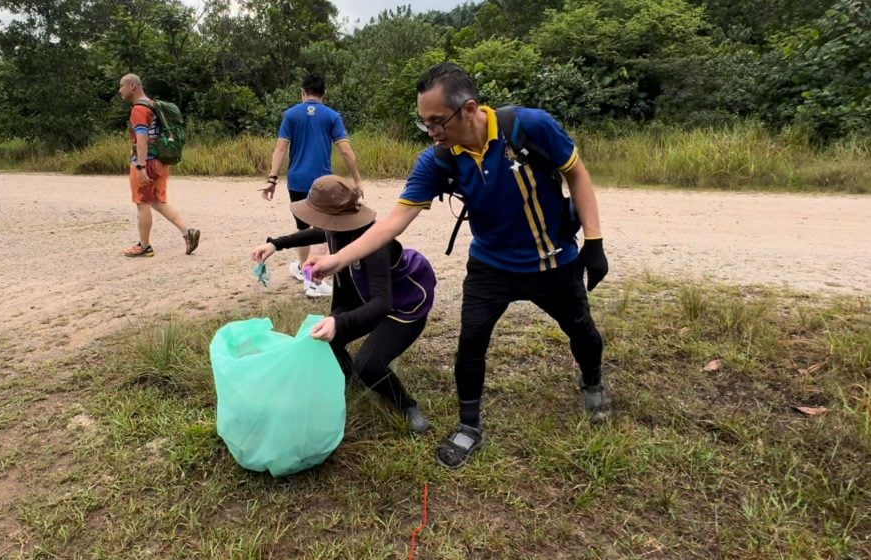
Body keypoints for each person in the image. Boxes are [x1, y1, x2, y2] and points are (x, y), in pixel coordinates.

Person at [307, 62, 611, 469]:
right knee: (471, 343)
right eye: (424, 123)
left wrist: (594, 241)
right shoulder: (439, 160)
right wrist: (338, 259)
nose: (432, 131)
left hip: (552, 261)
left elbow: (576, 173)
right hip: (490, 265)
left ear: (469, 110)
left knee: (583, 331)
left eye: (437, 121)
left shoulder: (528, 127)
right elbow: (395, 219)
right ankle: (469, 428)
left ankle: (592, 381)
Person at [251, 175, 436, 434]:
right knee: (328, 339)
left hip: (402, 309)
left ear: (335, 216)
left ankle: (406, 405)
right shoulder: (337, 228)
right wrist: (275, 244)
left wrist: (340, 320)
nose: (314, 220)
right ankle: (349, 379)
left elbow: (382, 304)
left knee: (369, 364)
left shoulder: (375, 245)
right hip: (366, 299)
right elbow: (314, 233)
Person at [259, 74, 362, 298]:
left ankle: (302, 267)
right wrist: (356, 180)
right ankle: (314, 282)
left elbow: (280, 149)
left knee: (303, 228)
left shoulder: (291, 115)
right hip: (322, 183)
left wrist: (272, 179)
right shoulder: (333, 116)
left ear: (302, 93)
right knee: (325, 229)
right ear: (324, 96)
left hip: (296, 180)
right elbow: (345, 150)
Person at [117, 74, 200, 258]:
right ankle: (188, 233)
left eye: (121, 86)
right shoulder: (152, 105)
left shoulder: (139, 109)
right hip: (160, 161)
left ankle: (144, 246)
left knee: (142, 203)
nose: (119, 90)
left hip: (148, 162)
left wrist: (140, 166)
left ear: (132, 86)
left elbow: (142, 139)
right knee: (157, 202)